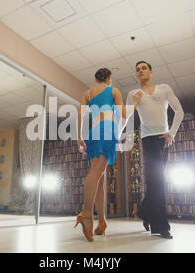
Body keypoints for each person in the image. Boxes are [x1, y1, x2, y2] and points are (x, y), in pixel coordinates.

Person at [125, 61, 184, 239]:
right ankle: (161, 227)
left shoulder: (164, 88)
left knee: (157, 182)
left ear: (151, 72)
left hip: (164, 139)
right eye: (137, 69)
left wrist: (172, 133)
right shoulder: (133, 93)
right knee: (156, 181)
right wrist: (127, 141)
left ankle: (144, 211)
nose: (140, 71)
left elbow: (179, 110)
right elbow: (127, 118)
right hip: (148, 140)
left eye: (143, 68)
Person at [75, 68, 130, 242]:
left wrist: (78, 138)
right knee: (95, 174)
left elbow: (80, 115)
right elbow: (123, 114)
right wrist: (134, 103)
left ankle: (102, 222)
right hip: (107, 131)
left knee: (100, 177)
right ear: (109, 78)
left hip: (93, 133)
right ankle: (87, 216)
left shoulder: (88, 93)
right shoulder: (113, 90)